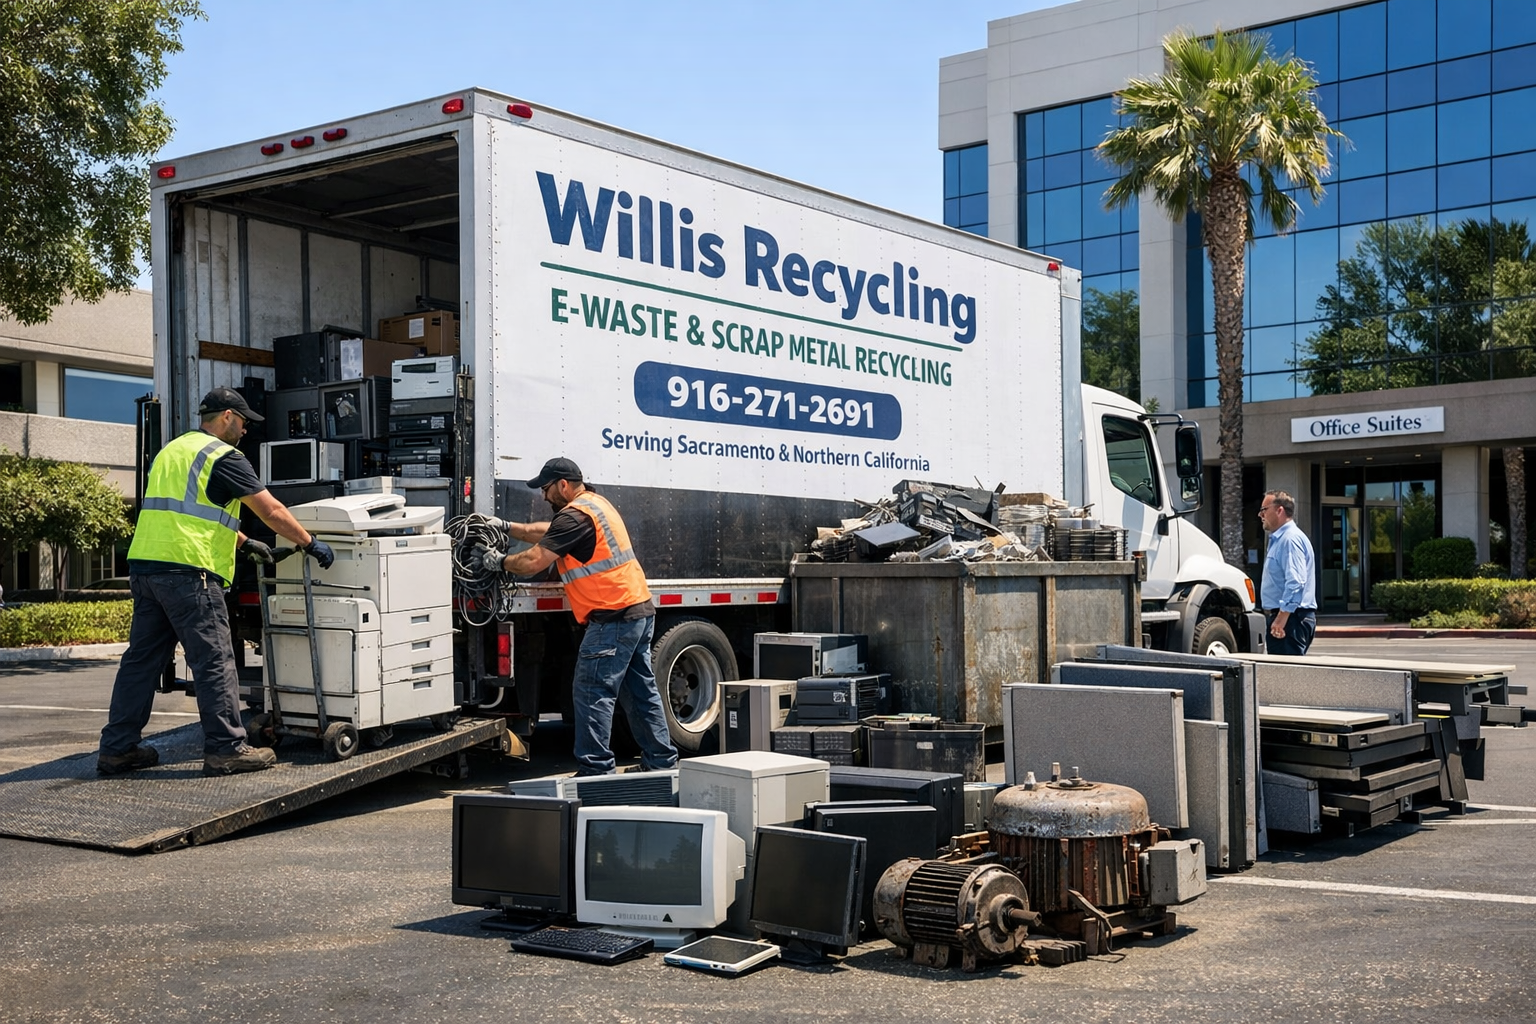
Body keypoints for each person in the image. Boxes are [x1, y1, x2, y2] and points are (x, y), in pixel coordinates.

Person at [97, 388, 337, 777]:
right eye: (243, 423)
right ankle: (227, 748)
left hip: (146, 569)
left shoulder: (172, 451)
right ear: (227, 417)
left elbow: (188, 513)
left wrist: (244, 543)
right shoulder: (224, 456)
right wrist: (310, 543)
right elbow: (272, 510)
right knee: (214, 662)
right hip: (190, 573)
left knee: (140, 663)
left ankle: (118, 748)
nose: (245, 431)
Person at [470, 457, 677, 776]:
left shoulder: (574, 517)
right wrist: (508, 527)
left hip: (613, 616)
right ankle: (661, 763)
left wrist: (498, 561)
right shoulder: (594, 505)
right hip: (636, 609)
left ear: (563, 485)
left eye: (546, 488)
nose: (543, 496)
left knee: (593, 691)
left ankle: (595, 770)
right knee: (639, 692)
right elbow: (547, 532)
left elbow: (534, 561)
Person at [1258, 490, 1317, 656]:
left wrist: (1281, 619)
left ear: (1279, 510)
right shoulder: (1283, 539)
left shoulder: (1289, 539)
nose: (1260, 514)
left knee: (1287, 678)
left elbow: (1296, 581)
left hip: (1291, 619)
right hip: (1292, 618)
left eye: (1264, 510)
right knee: (1286, 677)